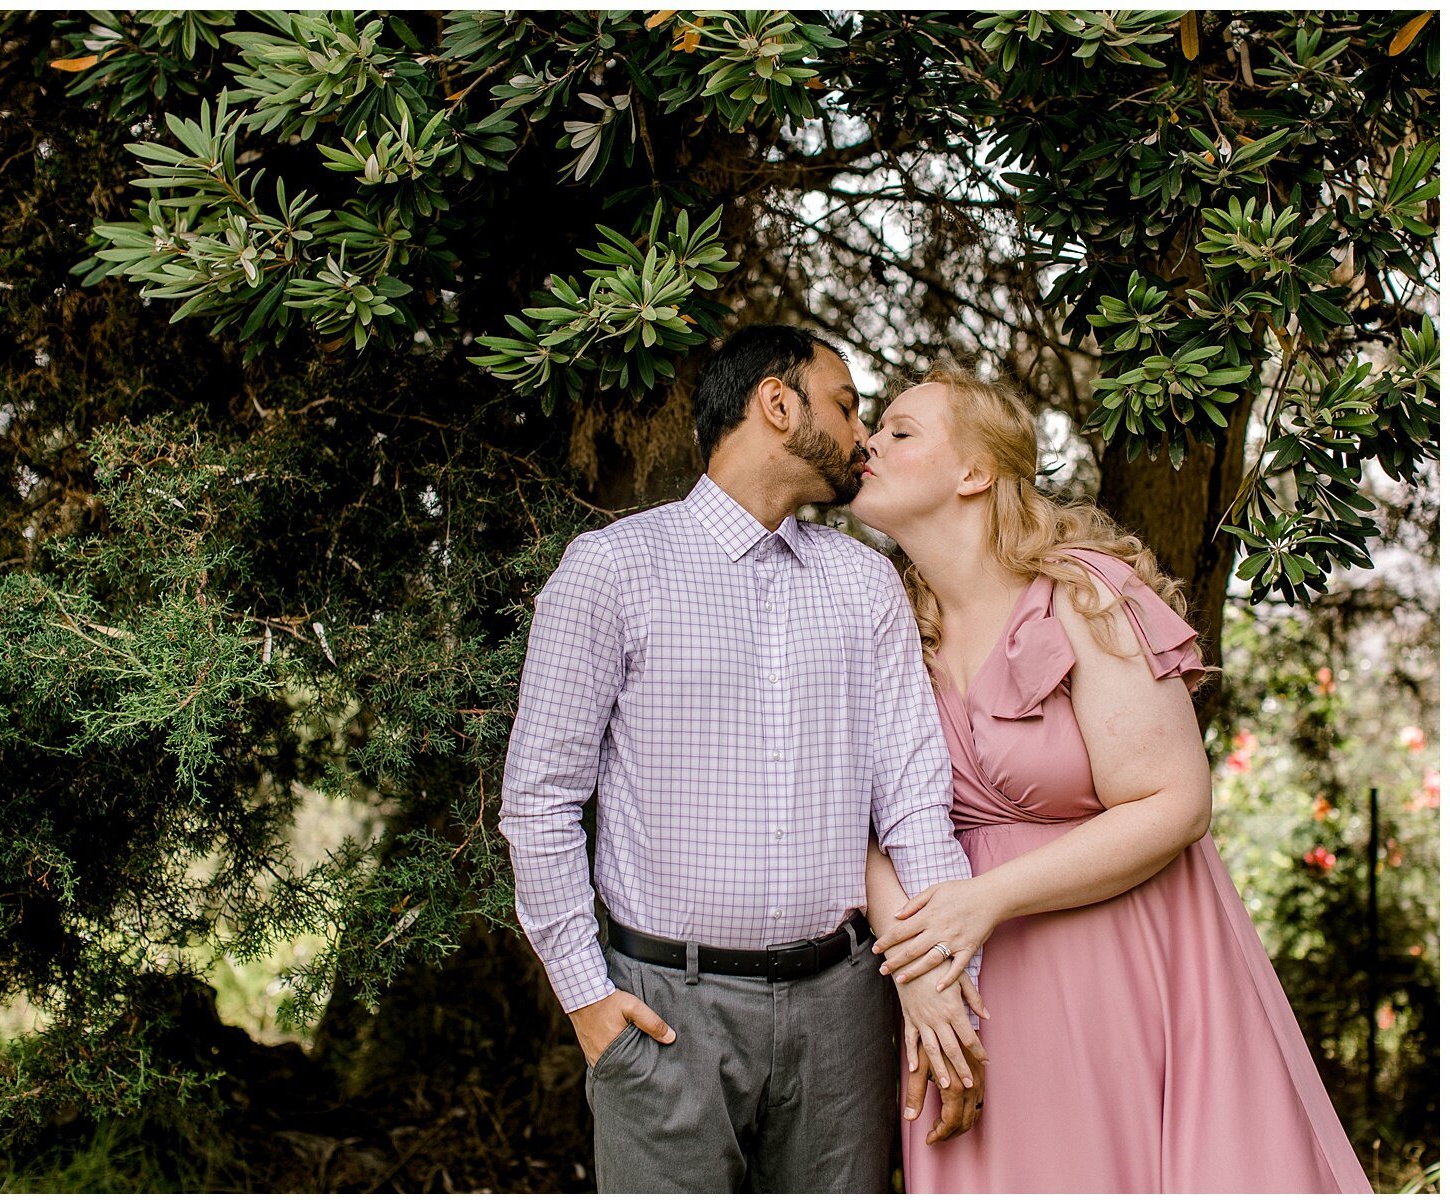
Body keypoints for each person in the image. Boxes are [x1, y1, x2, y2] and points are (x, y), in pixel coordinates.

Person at [851, 359, 1373, 1192]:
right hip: (968, 983)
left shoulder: (1081, 594)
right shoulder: (885, 626)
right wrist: (916, 966)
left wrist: (987, 899)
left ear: (977, 471)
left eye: (899, 432)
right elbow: (858, 826)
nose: (866, 443)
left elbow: (1177, 802)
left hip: (1122, 957)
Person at [499, 326, 986, 1193]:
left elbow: (914, 804)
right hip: (663, 1014)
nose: (862, 434)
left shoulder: (864, 580)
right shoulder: (612, 570)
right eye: (845, 405)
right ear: (776, 403)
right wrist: (584, 998)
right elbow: (540, 800)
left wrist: (944, 984)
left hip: (845, 1009)